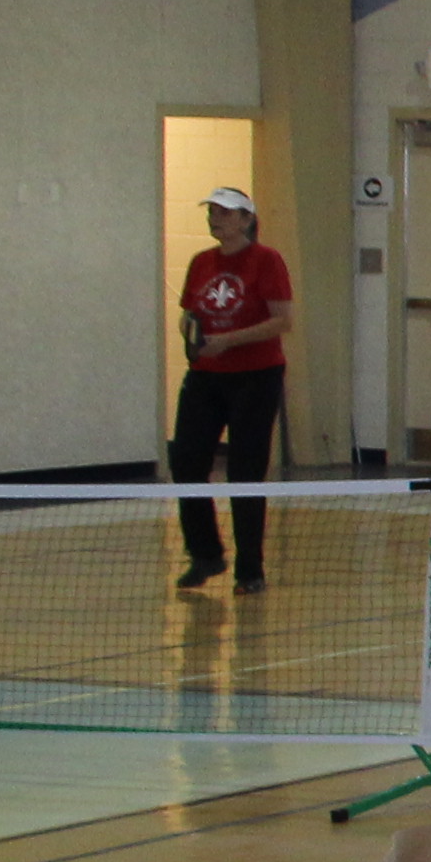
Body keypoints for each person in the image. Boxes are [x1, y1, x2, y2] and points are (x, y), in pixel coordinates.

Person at [168, 184, 293, 593]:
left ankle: (250, 569)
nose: (215, 219)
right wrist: (191, 334)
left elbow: (282, 320)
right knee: (187, 462)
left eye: (224, 212)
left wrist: (230, 340)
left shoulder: (267, 260)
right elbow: (190, 312)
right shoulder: (201, 262)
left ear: (245, 219)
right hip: (206, 375)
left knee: (245, 470)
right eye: (213, 212)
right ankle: (205, 553)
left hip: (255, 377)